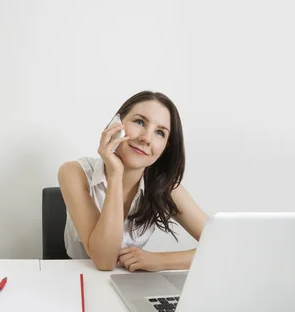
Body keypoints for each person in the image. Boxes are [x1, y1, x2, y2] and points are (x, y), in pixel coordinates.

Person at [58, 90, 209, 272]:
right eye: (139, 122)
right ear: (117, 124)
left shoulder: (165, 188)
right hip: (77, 278)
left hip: (132, 281)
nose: (146, 138)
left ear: (165, 148)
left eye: (160, 132)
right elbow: (105, 262)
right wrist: (115, 175)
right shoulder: (74, 172)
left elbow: (225, 245)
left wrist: (159, 261)